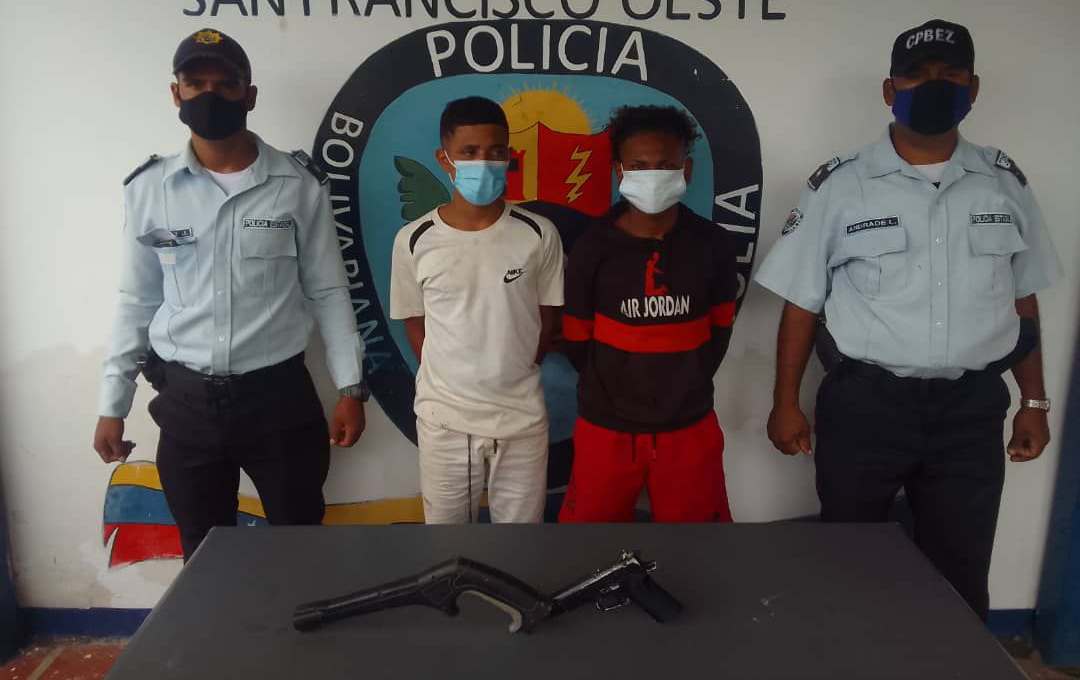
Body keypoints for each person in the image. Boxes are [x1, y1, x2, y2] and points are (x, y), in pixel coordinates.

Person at [754, 19, 1062, 619]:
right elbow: (801, 302)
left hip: (970, 410)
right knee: (848, 562)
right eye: (917, 75)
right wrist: (784, 402)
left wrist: (1034, 401)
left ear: (973, 87)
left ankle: (951, 661)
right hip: (866, 405)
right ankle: (853, 659)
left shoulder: (1003, 183)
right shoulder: (841, 185)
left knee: (960, 570)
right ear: (890, 90)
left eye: (950, 74)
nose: (934, 85)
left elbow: (1021, 297)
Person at [93, 28, 366, 560]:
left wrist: (350, 386)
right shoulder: (149, 189)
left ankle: (298, 621)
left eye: (226, 84)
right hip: (186, 404)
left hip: (278, 400)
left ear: (250, 94)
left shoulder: (297, 184)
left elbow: (329, 291)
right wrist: (112, 402)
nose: (210, 95)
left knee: (300, 545)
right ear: (176, 93)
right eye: (195, 83)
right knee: (203, 552)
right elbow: (136, 300)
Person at [389, 96, 564, 524]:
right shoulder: (414, 240)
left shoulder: (539, 234)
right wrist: (454, 381)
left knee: (521, 544)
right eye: (469, 152)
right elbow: (415, 325)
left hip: (522, 420)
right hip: (444, 421)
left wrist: (509, 371)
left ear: (509, 155)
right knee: (446, 541)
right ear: (444, 158)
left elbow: (546, 323)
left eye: (495, 151)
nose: (483, 163)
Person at [558, 105, 737, 523]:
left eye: (666, 165)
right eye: (639, 166)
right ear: (619, 171)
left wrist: (682, 384)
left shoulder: (713, 245)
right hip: (606, 427)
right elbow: (577, 341)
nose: (653, 175)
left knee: (699, 542)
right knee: (588, 540)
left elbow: (719, 332)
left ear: (686, 170)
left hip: (689, 426)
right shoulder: (592, 248)